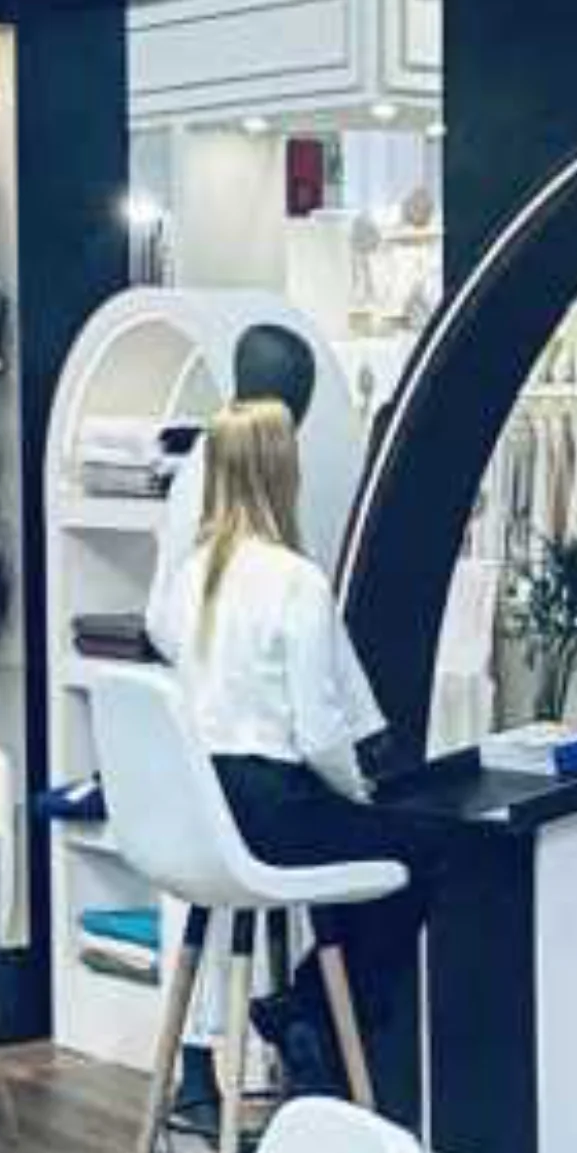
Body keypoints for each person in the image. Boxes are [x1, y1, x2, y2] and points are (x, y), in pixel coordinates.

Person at [170, 393, 395, 1100]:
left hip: (205, 814)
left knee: (376, 849)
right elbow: (321, 733)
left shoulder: (188, 579)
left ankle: (305, 1011)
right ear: (281, 474)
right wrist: (360, 794)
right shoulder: (296, 580)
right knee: (416, 857)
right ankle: (313, 1010)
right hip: (273, 806)